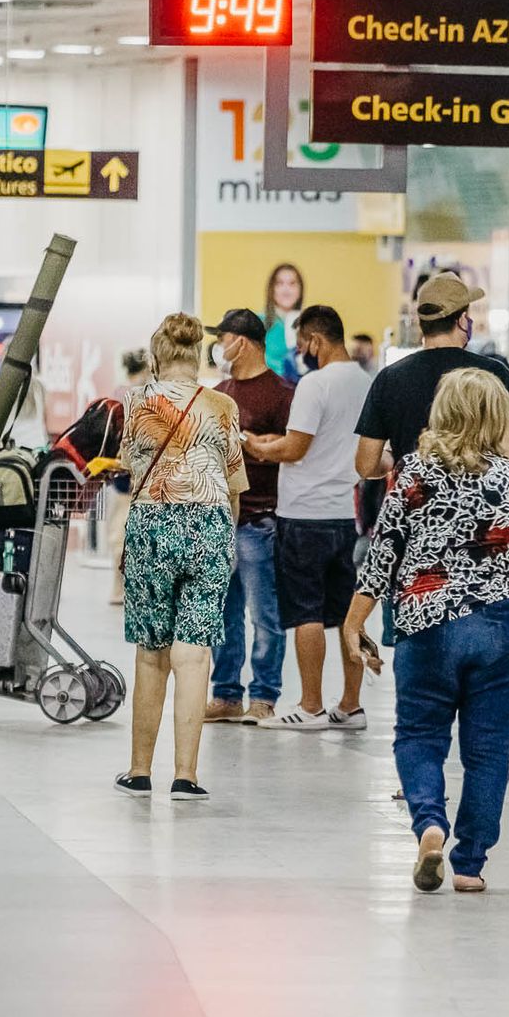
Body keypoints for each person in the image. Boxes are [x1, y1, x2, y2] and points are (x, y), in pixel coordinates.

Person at [344, 368, 509, 894]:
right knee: (487, 749)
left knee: (419, 734)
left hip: (427, 621)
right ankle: (470, 864)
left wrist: (355, 623)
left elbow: (383, 553)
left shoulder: (415, 471)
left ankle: (430, 825)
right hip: (501, 622)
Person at [116, 313, 246, 801]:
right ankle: (186, 775)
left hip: (154, 521)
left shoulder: (136, 401)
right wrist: (225, 537)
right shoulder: (222, 405)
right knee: (194, 654)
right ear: (199, 356)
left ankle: (139, 770)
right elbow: (235, 483)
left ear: (155, 356)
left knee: (152, 652)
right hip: (210, 523)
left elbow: (133, 467)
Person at [245, 305, 374, 731]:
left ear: (316, 340)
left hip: (303, 514)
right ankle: (351, 705)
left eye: (303, 344)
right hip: (343, 514)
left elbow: (295, 449)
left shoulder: (315, 384)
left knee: (307, 614)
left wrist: (256, 447)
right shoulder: (366, 382)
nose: (302, 351)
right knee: (346, 615)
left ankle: (311, 705)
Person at [205, 308, 291, 726]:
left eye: (224, 338)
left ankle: (264, 695)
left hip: (261, 519)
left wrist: (254, 443)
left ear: (244, 341)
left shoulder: (281, 393)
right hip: (223, 517)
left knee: (264, 615)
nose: (219, 347)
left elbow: (290, 445)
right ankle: (225, 694)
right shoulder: (219, 392)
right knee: (224, 613)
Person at [355, 272, 509, 481]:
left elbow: (366, 465)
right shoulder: (492, 374)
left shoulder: (389, 378)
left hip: (414, 507)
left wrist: (396, 459)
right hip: (479, 507)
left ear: (421, 323)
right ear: (463, 319)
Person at [109, 349, 152, 605]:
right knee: (128, 538)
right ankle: (126, 588)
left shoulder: (118, 394)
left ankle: (119, 587)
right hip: (137, 480)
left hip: (124, 480)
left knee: (119, 538)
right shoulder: (142, 395)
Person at [262, 262, 306, 381]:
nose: (286, 289)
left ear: (300, 289)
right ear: (272, 289)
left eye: (292, 284)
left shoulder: (310, 323)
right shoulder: (258, 322)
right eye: (280, 283)